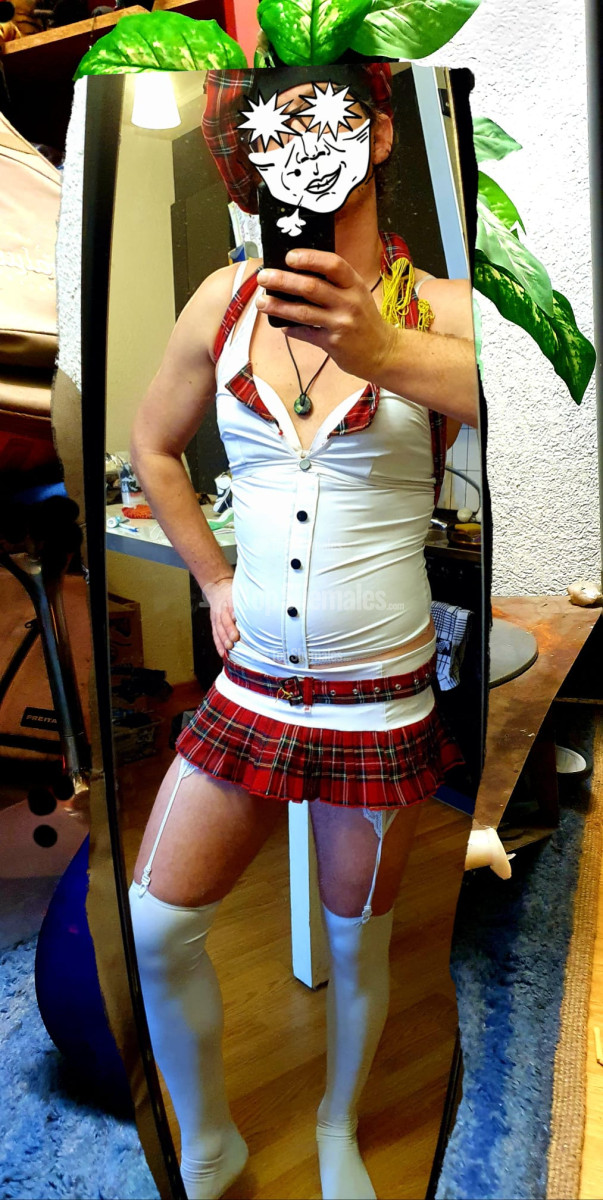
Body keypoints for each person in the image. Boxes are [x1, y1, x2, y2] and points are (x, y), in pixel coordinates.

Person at [128, 64, 479, 1200]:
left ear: (377, 135)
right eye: (270, 132)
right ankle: (209, 1141)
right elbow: (152, 447)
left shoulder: (446, 313)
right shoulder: (224, 301)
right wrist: (213, 581)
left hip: (380, 696)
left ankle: (336, 1128)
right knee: (155, 924)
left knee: (354, 944)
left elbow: (529, 408)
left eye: (323, 121)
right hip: (253, 685)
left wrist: (384, 351)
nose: (299, 149)